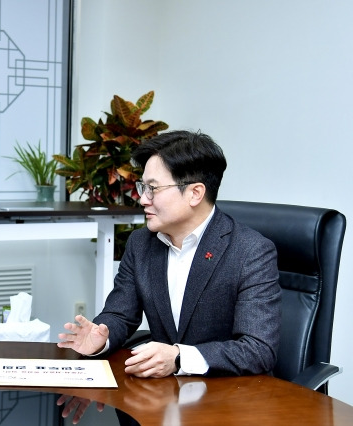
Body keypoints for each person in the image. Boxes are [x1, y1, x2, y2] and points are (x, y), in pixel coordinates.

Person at [58, 130, 281, 378]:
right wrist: (102, 338)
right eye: (143, 187)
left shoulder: (250, 252)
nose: (143, 199)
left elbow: (258, 349)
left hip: (229, 398)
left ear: (195, 193)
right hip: (164, 397)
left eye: (153, 188)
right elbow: (120, 313)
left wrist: (178, 357)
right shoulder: (141, 243)